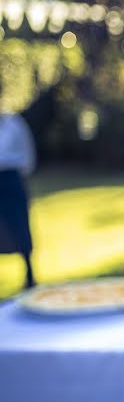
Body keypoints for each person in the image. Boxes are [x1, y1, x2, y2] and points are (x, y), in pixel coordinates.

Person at [0, 110, 37, 290]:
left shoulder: (13, 123)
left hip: (11, 179)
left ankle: (30, 276)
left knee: (19, 225)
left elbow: (27, 151)